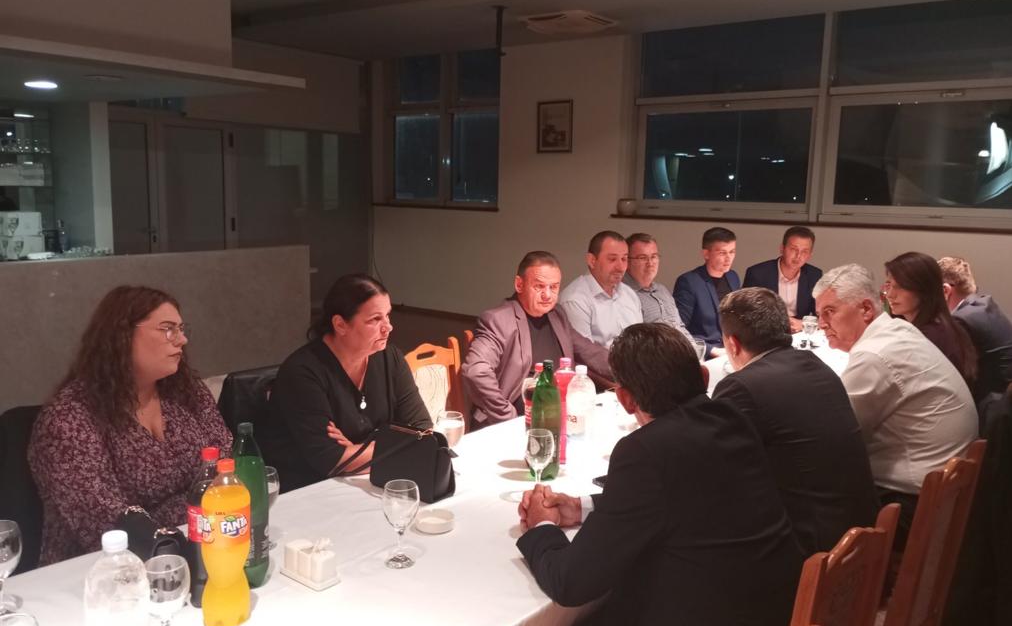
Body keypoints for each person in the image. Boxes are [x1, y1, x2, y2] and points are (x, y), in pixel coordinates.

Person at [492, 324, 804, 626]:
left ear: (625, 398)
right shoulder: (732, 420)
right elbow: (687, 497)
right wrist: (582, 507)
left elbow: (571, 584)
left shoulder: (645, 451)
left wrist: (540, 526)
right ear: (702, 376)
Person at [28, 285, 231, 565]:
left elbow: (225, 465)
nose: (182, 340)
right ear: (122, 336)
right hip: (101, 570)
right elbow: (108, 522)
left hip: (200, 541)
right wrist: (197, 509)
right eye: (168, 329)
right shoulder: (69, 417)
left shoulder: (186, 391)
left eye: (182, 329)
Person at [813, 264, 978, 546]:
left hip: (912, 505)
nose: (821, 324)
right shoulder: (898, 329)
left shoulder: (874, 355)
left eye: (830, 312)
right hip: (940, 491)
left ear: (866, 309)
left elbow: (833, 441)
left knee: (802, 491)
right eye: (819, 314)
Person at [713, 287, 878, 555]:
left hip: (815, 550)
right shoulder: (817, 365)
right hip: (862, 532)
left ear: (732, 344)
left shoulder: (741, 387)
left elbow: (719, 474)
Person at [262, 274, 431, 492]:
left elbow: (423, 431)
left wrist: (357, 449)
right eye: (375, 319)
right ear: (340, 325)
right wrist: (397, 445)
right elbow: (332, 461)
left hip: (370, 480)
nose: (388, 327)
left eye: (388, 315)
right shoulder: (302, 372)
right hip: (308, 491)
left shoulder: (390, 358)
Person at [462, 251, 611, 429]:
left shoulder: (557, 315)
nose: (547, 295)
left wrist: (631, 368)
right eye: (539, 286)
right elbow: (476, 371)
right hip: (517, 422)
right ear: (519, 284)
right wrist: (507, 416)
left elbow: (589, 351)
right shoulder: (498, 320)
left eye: (554, 287)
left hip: (560, 415)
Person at [883, 251, 977, 388]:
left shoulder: (930, 336)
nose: (890, 295)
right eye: (888, 285)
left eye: (900, 287)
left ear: (923, 289)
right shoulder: (940, 326)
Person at [938, 256, 1012, 400]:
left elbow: (958, 374)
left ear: (945, 290)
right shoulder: (984, 304)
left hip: (1004, 402)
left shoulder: (961, 319)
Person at [558, 230, 642, 348]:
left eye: (624, 259)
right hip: (603, 360)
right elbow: (584, 352)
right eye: (612, 259)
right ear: (592, 260)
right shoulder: (575, 300)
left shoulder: (629, 294)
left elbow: (641, 341)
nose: (620, 267)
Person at [672, 226, 740, 356]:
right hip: (705, 353)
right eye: (722, 253)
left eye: (732, 252)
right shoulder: (689, 282)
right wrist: (712, 350)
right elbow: (679, 329)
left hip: (731, 349)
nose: (728, 258)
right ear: (706, 254)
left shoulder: (733, 277)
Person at [741, 226, 822, 332]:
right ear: (782, 249)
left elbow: (823, 316)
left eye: (804, 251)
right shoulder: (757, 274)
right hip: (766, 333)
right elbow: (746, 313)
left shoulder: (814, 275)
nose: (798, 256)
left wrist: (804, 324)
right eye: (793, 249)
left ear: (810, 255)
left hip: (799, 333)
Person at [622, 232, 694, 341]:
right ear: (627, 261)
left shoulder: (662, 290)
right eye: (642, 258)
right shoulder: (624, 294)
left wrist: (694, 348)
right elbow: (635, 341)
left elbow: (680, 327)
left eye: (654, 257)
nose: (650, 263)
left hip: (683, 348)